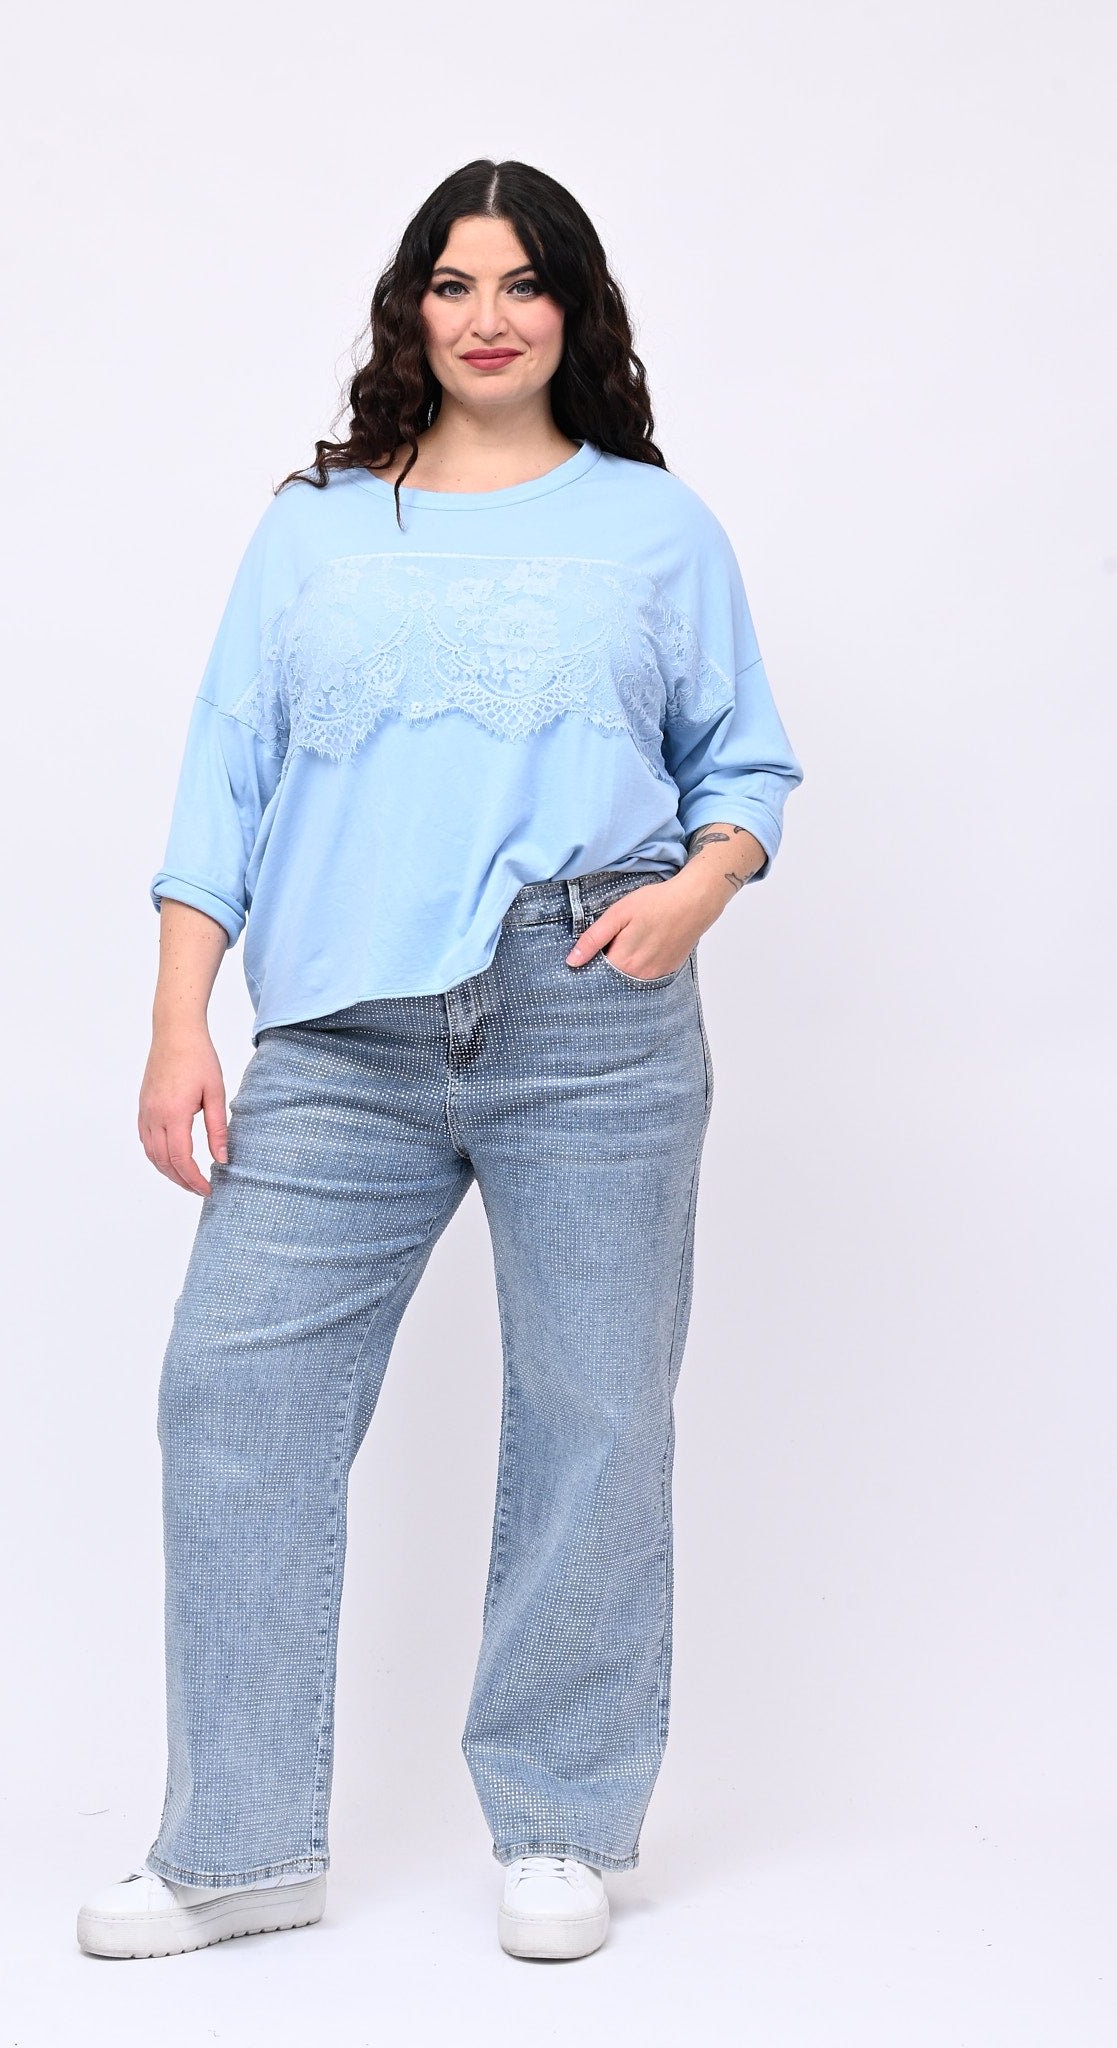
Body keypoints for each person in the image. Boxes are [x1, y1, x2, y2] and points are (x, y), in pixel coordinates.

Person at [76, 158, 803, 1966]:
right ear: (413, 307)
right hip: (339, 1033)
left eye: (523, 282)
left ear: (573, 311)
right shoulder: (315, 529)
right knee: (229, 1397)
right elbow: (221, 781)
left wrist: (695, 891)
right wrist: (179, 1019)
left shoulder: (652, 525)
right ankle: (238, 1845)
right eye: (455, 282)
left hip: (589, 1006)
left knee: (593, 1414)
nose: (488, 317)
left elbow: (744, 764)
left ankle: (558, 1823)